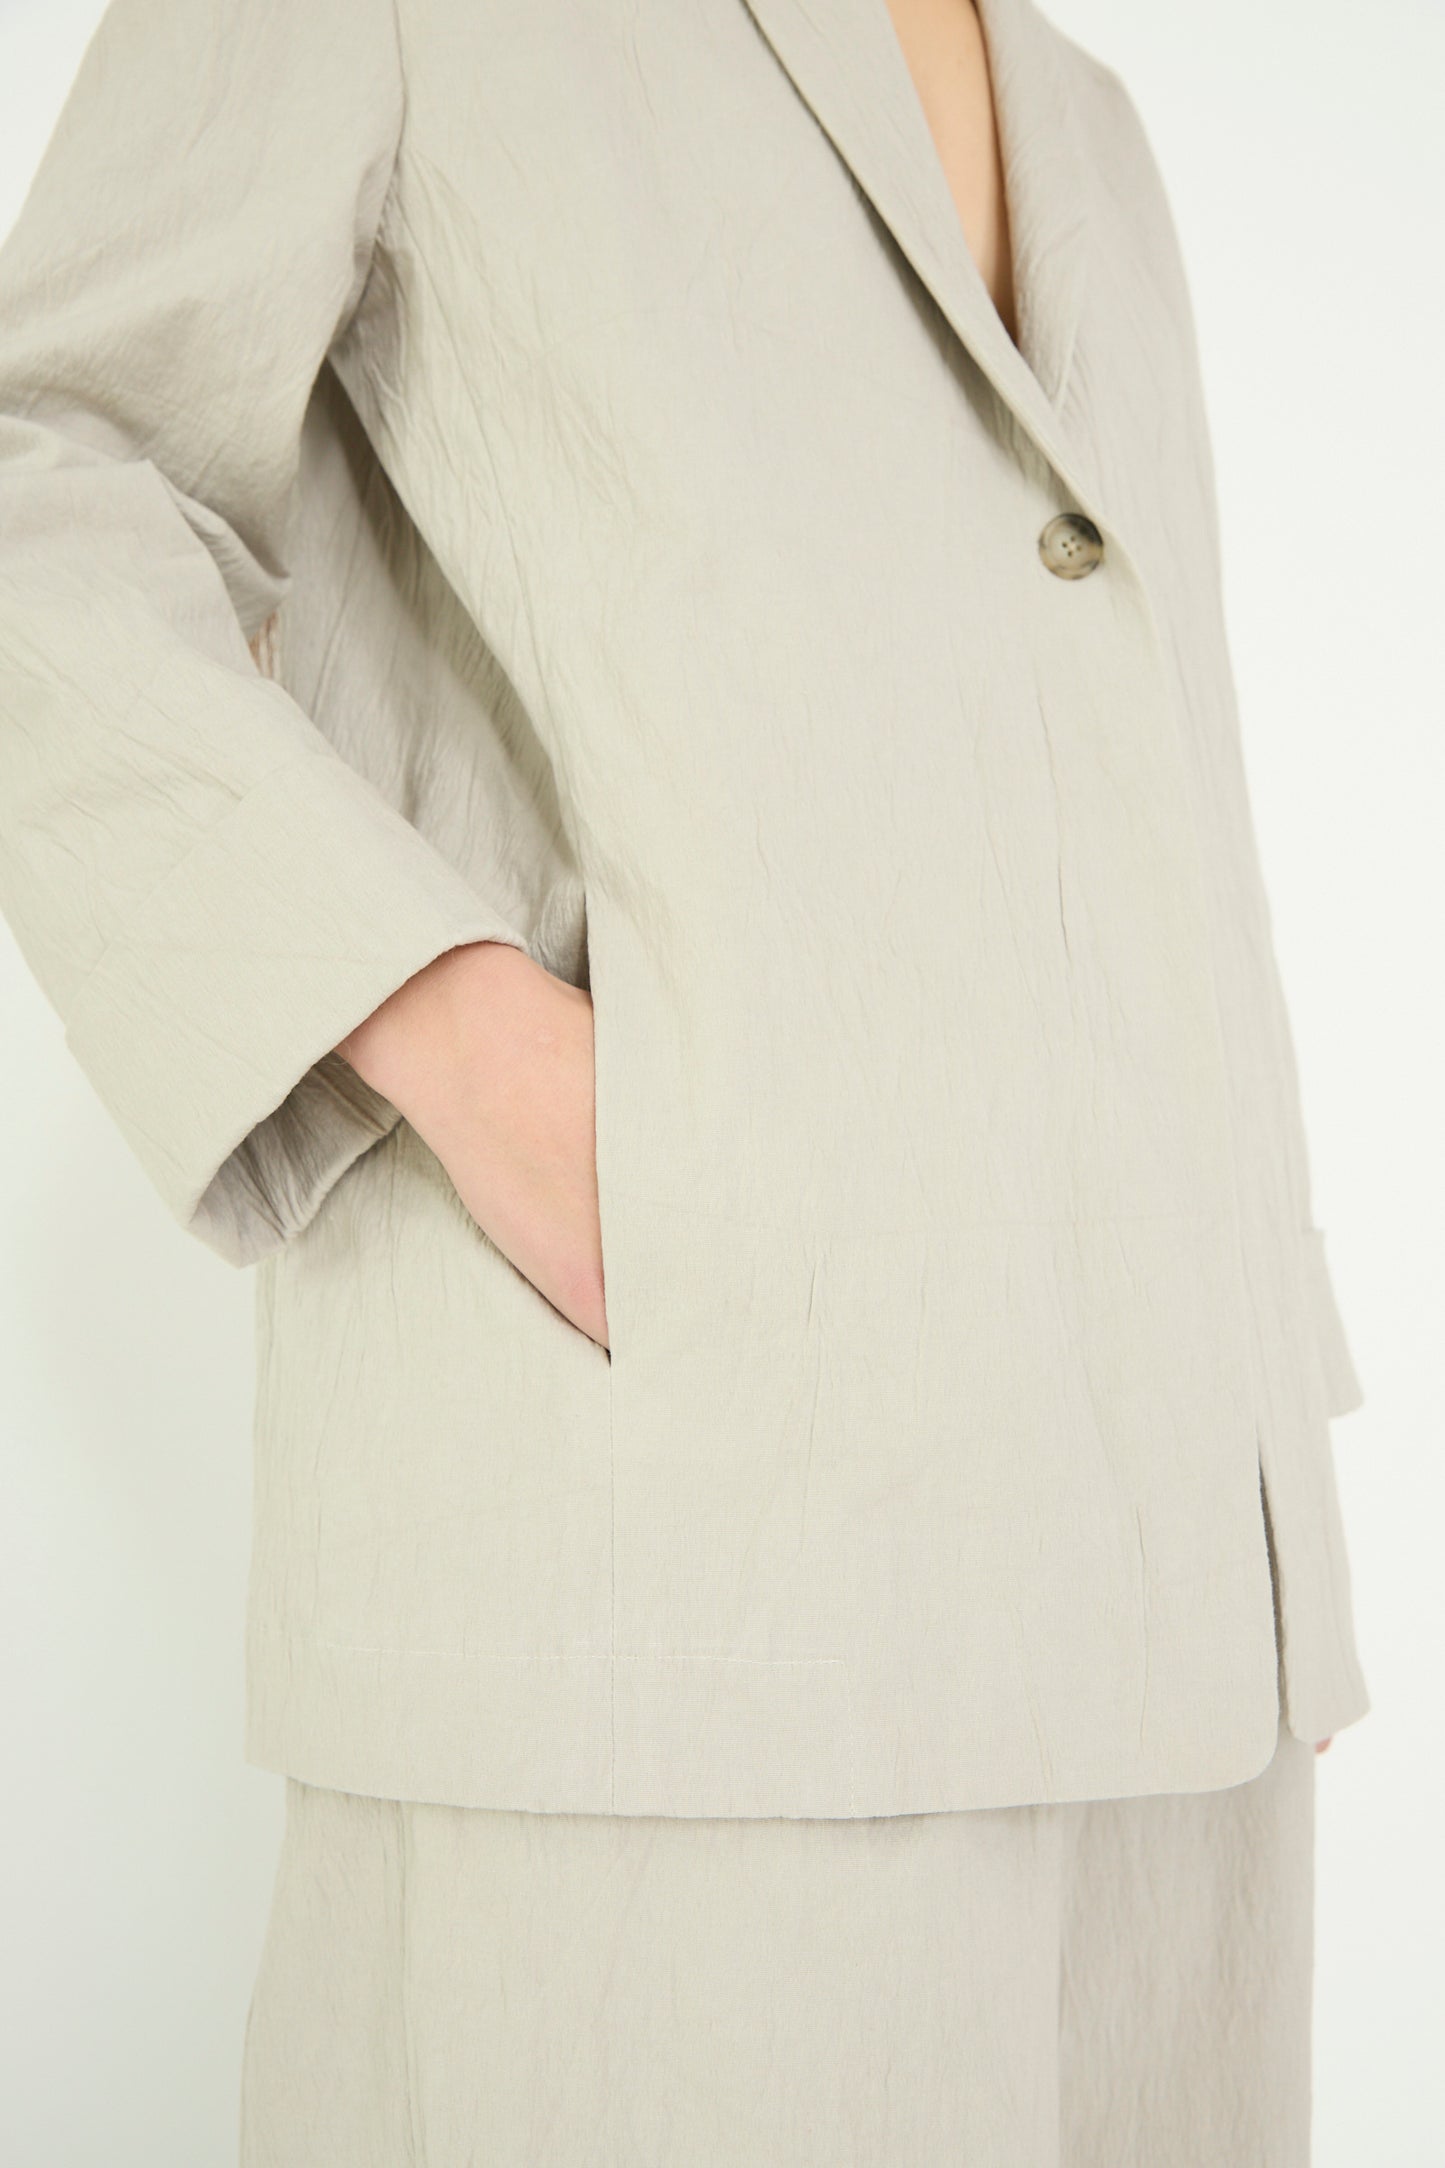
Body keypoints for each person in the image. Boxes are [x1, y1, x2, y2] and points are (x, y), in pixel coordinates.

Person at [0, 0, 1369, 2159]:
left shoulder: (1085, 120)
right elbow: (34, 481)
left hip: (1178, 1681)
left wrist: (1257, 1465)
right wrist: (451, 1025)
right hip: (673, 1582)